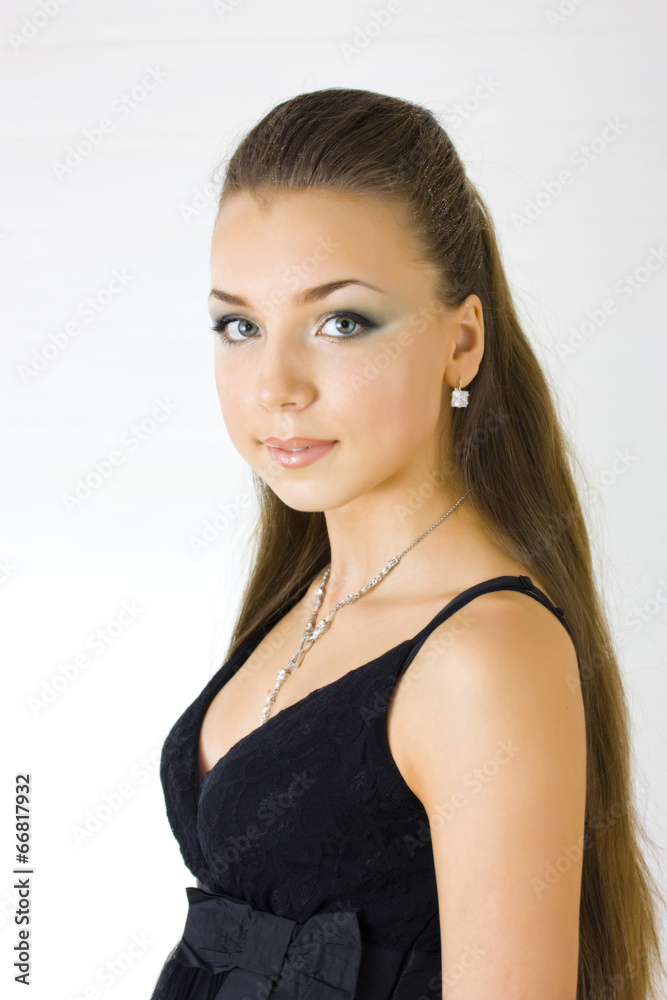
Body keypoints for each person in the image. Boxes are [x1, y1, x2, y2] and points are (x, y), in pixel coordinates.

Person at [150, 88, 664, 1000]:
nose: (275, 385)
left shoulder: (483, 654)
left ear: (461, 343)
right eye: (240, 326)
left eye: (340, 322)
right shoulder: (312, 590)